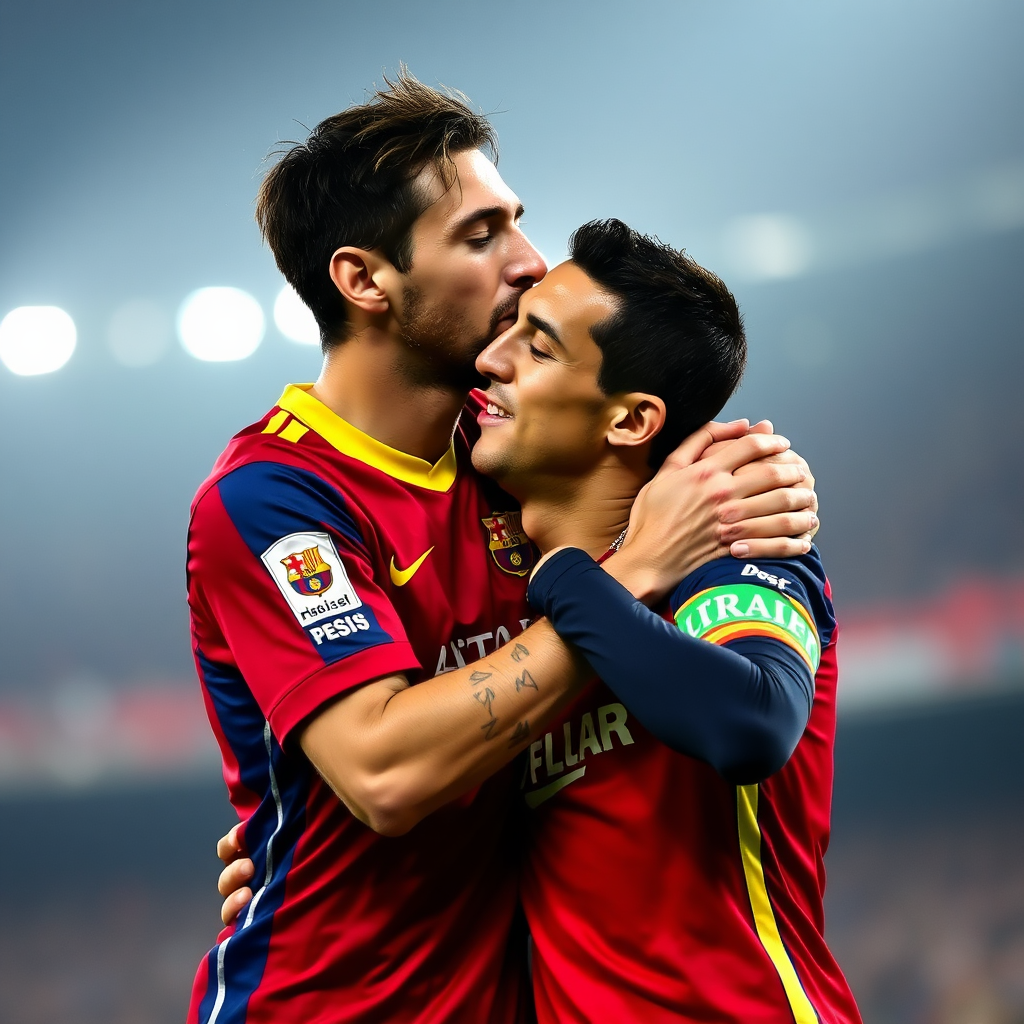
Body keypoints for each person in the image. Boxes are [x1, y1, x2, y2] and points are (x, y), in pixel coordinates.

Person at [187, 73, 818, 1024]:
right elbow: (387, 773)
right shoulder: (278, 498)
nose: (527, 261)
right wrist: (620, 580)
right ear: (364, 281)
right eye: (480, 236)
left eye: (516, 222)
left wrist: (763, 481)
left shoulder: (516, 477)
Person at [470, 219, 861, 1022]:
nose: (490, 360)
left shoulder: (737, 546)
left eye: (538, 349)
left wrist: (579, 580)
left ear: (629, 421)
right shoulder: (496, 608)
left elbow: (752, 720)